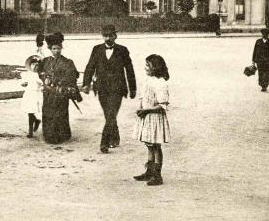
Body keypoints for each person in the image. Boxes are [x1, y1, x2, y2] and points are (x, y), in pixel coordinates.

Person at [82, 24, 137, 153]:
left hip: (118, 88)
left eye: (110, 35)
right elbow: (90, 67)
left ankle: (104, 142)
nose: (107, 38)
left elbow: (129, 70)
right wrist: (86, 83)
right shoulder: (96, 49)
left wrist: (132, 88)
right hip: (101, 88)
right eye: (105, 35)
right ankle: (115, 136)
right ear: (102, 36)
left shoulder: (123, 50)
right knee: (109, 114)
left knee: (111, 113)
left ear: (115, 36)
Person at [133, 54, 171, 186]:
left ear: (156, 67)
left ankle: (157, 175)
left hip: (154, 117)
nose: (145, 68)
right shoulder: (148, 81)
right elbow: (143, 97)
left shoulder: (161, 83)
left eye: (148, 65)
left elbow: (162, 105)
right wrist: (141, 108)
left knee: (156, 146)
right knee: (149, 145)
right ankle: (149, 172)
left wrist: (146, 110)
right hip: (147, 117)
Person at [38, 32, 79, 144]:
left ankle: (62, 135)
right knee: (48, 112)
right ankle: (49, 135)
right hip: (48, 93)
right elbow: (40, 73)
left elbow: (73, 75)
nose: (57, 51)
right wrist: (44, 79)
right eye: (54, 48)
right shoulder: (45, 61)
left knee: (60, 113)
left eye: (59, 48)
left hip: (61, 92)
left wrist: (63, 82)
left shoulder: (67, 62)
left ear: (61, 48)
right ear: (50, 49)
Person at [21, 55, 43, 138]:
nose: (35, 67)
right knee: (29, 112)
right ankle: (33, 126)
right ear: (30, 66)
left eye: (37, 65)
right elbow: (23, 82)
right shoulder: (27, 74)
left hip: (36, 94)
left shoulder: (40, 75)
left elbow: (43, 84)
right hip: (29, 94)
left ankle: (33, 126)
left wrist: (42, 85)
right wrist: (24, 84)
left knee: (32, 111)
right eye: (33, 65)